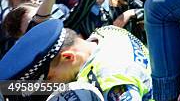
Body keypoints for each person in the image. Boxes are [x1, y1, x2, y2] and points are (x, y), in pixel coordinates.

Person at [0, 19, 153, 100]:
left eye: (49, 79)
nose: (49, 86)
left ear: (68, 57)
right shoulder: (107, 32)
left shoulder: (108, 80)